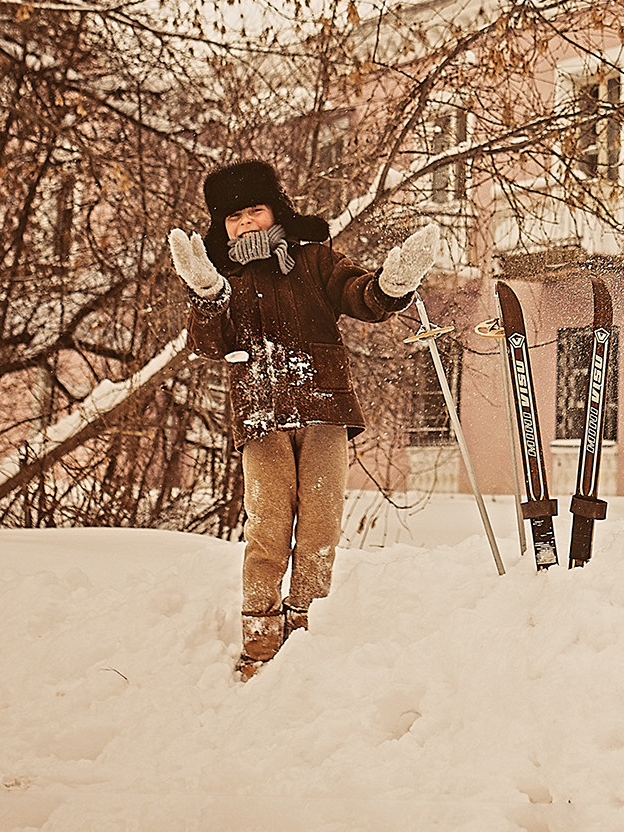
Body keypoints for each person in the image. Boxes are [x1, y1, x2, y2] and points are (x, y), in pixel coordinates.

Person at [168, 159, 439, 680]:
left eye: (255, 209)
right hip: (261, 417)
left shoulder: (313, 259)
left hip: (323, 407)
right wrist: (205, 296)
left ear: (275, 210)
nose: (246, 222)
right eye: (234, 216)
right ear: (221, 226)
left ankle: (309, 632)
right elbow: (209, 345)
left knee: (319, 525)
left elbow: (359, 296)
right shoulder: (223, 278)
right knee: (267, 526)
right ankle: (260, 638)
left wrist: (392, 283)